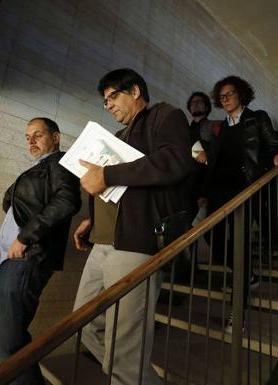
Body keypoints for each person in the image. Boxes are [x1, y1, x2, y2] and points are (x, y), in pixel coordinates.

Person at [72, 68, 193, 385]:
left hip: (135, 243)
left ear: (136, 91)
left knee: (125, 347)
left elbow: (175, 161)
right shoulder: (117, 137)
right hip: (103, 242)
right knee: (84, 325)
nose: (108, 105)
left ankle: (129, 376)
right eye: (105, 101)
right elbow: (114, 192)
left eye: (113, 96)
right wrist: (93, 219)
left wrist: (108, 176)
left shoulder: (165, 116)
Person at [0, 118, 82, 385]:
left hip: (26, 259)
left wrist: (25, 237)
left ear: (56, 137)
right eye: (27, 137)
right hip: (4, 263)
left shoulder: (60, 163)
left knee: (9, 346)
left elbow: (68, 201)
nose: (31, 141)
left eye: (38, 135)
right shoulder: (38, 168)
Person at [203, 76, 278, 332]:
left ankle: (237, 314)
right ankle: (249, 275)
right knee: (214, 239)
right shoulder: (220, 127)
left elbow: (271, 141)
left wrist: (277, 153)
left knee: (240, 249)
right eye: (221, 96)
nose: (225, 99)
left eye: (230, 94)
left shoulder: (257, 117)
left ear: (241, 94)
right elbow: (217, 160)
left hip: (245, 189)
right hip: (219, 192)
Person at [186, 91, 217, 224]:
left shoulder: (215, 126)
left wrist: (205, 193)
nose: (195, 105)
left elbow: (219, 154)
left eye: (199, 102)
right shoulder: (185, 130)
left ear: (206, 107)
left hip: (207, 183)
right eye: (193, 103)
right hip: (188, 184)